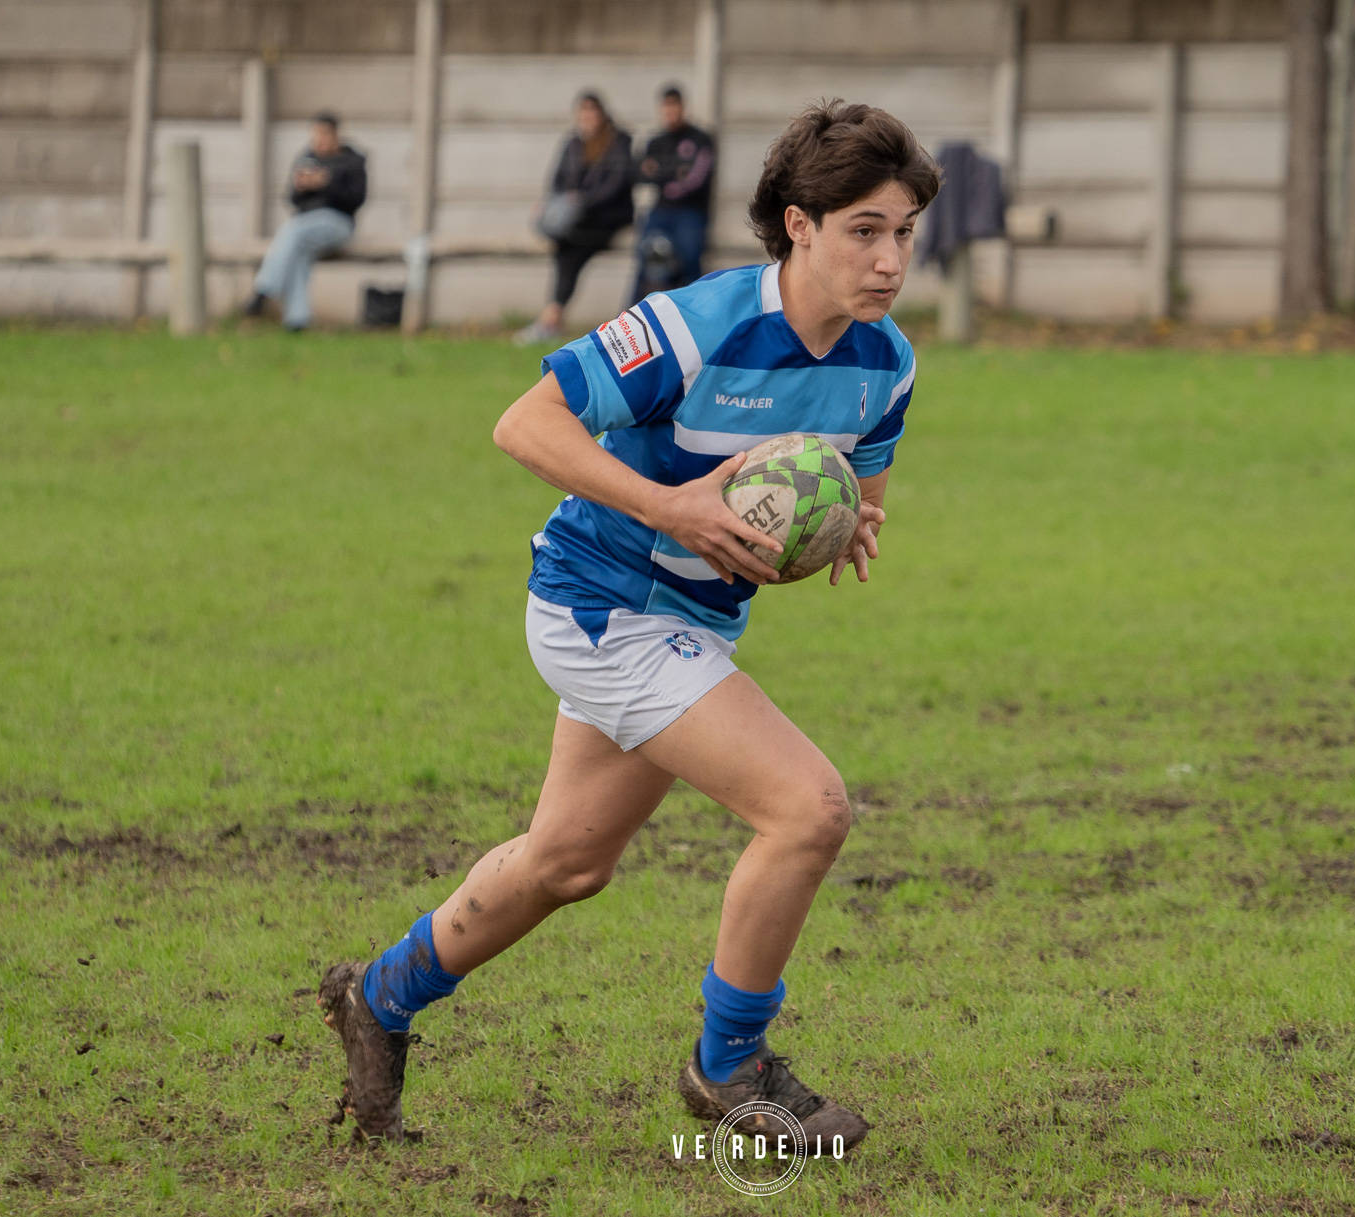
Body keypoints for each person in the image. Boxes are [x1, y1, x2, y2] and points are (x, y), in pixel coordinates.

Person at [318, 100, 940, 1152]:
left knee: (567, 861)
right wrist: (674, 503)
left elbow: (854, 486)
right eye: (865, 230)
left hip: (690, 619)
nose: (890, 260)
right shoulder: (696, 325)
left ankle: (377, 996)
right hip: (600, 602)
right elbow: (525, 422)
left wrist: (850, 527)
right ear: (799, 224)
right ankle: (728, 1063)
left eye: (906, 233)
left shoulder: (887, 364)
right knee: (808, 807)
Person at [514, 93, 635, 346]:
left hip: (607, 217)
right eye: (583, 114)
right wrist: (552, 205)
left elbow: (615, 186)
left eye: (592, 114)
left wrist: (581, 202)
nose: (587, 119)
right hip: (579, 222)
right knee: (567, 247)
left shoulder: (618, 142)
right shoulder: (573, 144)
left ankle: (552, 317)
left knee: (570, 248)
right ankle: (553, 315)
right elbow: (557, 181)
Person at [245, 112, 367, 331]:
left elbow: (357, 199)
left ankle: (264, 290)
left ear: (336, 135)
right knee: (299, 250)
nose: (319, 141)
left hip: (338, 224)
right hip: (306, 225)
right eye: (316, 135)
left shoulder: (352, 162)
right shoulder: (307, 158)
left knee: (292, 230)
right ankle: (297, 320)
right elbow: (292, 200)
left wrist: (327, 183)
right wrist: (302, 187)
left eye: (324, 135)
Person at [629, 84, 715, 302]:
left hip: (691, 212)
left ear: (683, 107)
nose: (671, 113)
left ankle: (697, 311)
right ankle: (627, 317)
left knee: (690, 258)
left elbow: (696, 180)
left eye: (674, 107)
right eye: (666, 108)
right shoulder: (655, 142)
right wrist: (675, 171)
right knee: (644, 257)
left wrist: (662, 173)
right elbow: (642, 175)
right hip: (660, 211)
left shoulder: (700, 139)